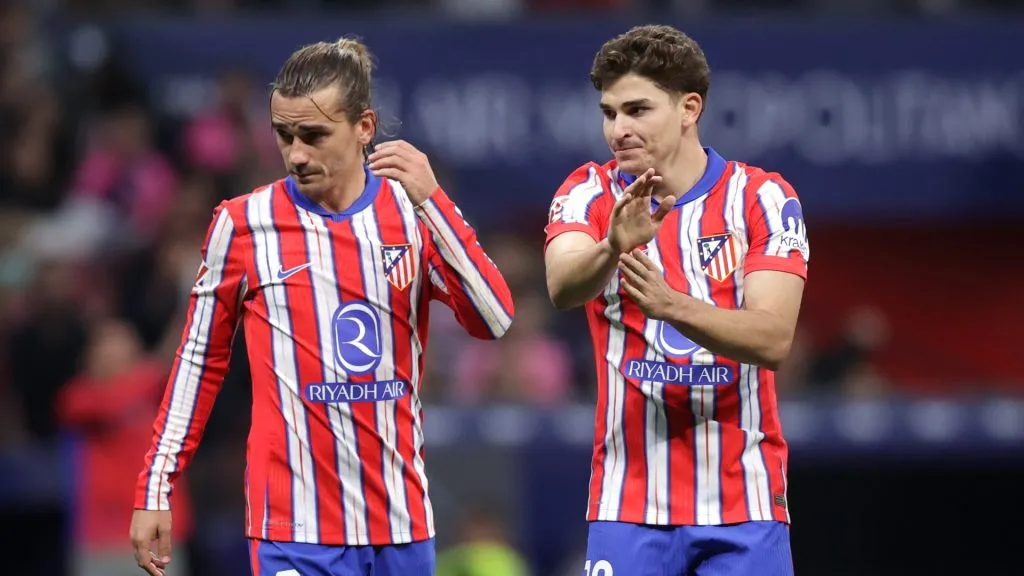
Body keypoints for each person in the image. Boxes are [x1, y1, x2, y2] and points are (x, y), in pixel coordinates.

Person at [129, 36, 515, 576]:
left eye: (313, 135)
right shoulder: (243, 225)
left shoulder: (411, 214)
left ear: (364, 127)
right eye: (283, 135)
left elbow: (493, 318)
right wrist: (156, 486)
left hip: (399, 523)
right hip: (293, 528)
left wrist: (434, 201)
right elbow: (198, 361)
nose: (296, 154)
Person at [543, 25, 809, 575]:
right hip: (627, 503)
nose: (619, 129)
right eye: (609, 113)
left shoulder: (761, 198)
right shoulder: (588, 193)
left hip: (746, 505)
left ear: (689, 108)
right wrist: (612, 246)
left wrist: (672, 306)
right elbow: (563, 285)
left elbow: (773, 338)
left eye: (637, 110)